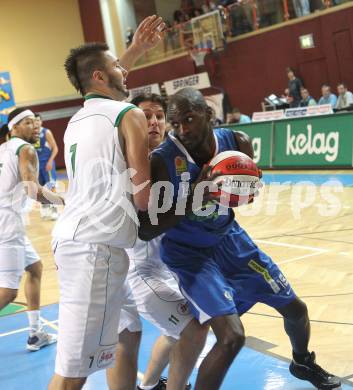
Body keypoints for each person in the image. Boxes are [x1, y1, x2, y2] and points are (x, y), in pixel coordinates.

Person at [139, 87, 341, 390]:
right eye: (175, 123)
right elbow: (146, 229)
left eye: (189, 120)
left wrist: (241, 192)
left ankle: (303, 363)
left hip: (230, 240)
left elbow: (244, 196)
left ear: (209, 115)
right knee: (232, 337)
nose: (181, 130)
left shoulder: (237, 143)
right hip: (189, 256)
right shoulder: (164, 160)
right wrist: (194, 198)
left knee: (296, 310)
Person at [48, 15, 165, 390]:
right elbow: (144, 196)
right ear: (100, 75)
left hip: (77, 241)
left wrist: (133, 52)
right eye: (116, 66)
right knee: (71, 375)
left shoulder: (77, 121)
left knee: (128, 331)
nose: (123, 70)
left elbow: (103, 85)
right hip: (95, 251)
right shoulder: (128, 114)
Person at [107, 94, 208, 390]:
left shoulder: (173, 158)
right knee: (190, 329)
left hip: (163, 267)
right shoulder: (125, 160)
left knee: (178, 329)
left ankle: (150, 385)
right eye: (146, 116)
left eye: (159, 116)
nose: (153, 122)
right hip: (135, 269)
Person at [0, 107, 64, 351]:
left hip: (6, 219)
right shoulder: (24, 149)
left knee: (35, 268)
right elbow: (33, 190)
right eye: (27, 122)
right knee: (7, 292)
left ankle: (35, 334)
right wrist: (65, 200)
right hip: (8, 224)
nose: (34, 126)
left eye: (35, 122)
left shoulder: (4, 148)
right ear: (14, 128)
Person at [33, 113, 59, 220]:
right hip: (37, 166)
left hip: (47, 164)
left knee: (51, 188)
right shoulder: (30, 135)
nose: (36, 123)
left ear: (41, 121)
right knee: (40, 189)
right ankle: (44, 211)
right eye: (34, 121)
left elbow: (55, 148)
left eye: (38, 120)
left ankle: (54, 211)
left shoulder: (46, 132)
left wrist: (50, 161)